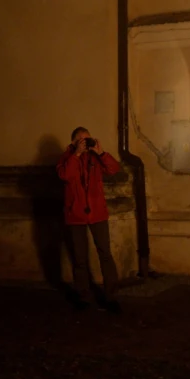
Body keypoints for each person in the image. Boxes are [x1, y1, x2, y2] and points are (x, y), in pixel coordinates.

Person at [56, 127, 122, 313]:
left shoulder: (95, 157)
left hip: (97, 213)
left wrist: (100, 152)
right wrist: (76, 154)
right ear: (74, 142)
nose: (86, 142)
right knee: (80, 258)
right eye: (82, 140)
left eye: (88, 139)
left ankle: (111, 296)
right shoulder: (67, 157)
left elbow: (113, 169)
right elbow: (65, 176)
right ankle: (83, 296)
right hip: (75, 214)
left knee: (105, 254)